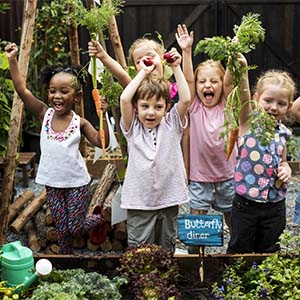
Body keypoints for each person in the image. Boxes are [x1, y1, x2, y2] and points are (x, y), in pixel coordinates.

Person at [5, 43, 109, 254]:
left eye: (64, 91)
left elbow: (101, 142)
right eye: (52, 91)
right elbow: (22, 89)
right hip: (53, 184)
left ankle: (99, 219)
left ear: (77, 97)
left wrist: (103, 115)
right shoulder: (45, 114)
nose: (57, 96)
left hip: (77, 184)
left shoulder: (80, 123)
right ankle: (66, 260)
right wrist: (13, 60)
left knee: (75, 227)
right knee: (62, 230)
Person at [119, 47, 191, 252]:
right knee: (140, 249)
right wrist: (143, 72)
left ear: (167, 107)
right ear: (136, 107)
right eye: (145, 106)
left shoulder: (172, 124)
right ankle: (142, 284)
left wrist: (176, 67)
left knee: (166, 246)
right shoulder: (132, 128)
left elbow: (185, 99)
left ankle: (163, 281)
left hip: (169, 198)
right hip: (139, 202)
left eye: (158, 107)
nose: (151, 112)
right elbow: (125, 99)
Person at [88, 37, 190, 175]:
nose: (145, 60)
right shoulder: (137, 91)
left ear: (162, 59)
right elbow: (121, 75)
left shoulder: (176, 88)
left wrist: (181, 58)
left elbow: (187, 97)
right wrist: (102, 55)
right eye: (138, 61)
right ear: (136, 68)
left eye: (150, 56)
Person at [176, 24, 236, 251]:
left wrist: (231, 57)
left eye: (214, 81)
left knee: (234, 221)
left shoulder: (228, 105)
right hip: (200, 178)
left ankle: (235, 254)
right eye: (203, 82)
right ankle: (195, 259)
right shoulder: (195, 107)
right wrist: (186, 52)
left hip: (228, 176)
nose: (207, 85)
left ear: (222, 85)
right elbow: (189, 81)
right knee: (196, 229)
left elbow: (232, 81)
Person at [227, 56, 295, 253]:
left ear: (289, 106)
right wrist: (243, 69)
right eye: (268, 101)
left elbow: (283, 162)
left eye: (281, 103)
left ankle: (262, 283)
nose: (274, 107)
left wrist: (286, 169)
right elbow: (242, 93)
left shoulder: (284, 133)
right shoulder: (248, 123)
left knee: (270, 248)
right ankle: (236, 281)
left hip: (275, 205)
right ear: (257, 99)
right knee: (240, 248)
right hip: (245, 204)